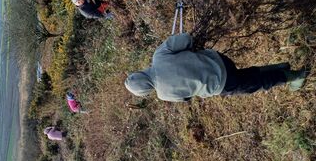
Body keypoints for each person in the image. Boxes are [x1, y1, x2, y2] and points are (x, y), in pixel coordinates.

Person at [124, 33, 308, 102]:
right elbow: (186, 39)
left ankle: (294, 76)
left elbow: (186, 98)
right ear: (140, 73)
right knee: (245, 75)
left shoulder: (163, 95)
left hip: (221, 84)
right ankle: (281, 67)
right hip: (220, 60)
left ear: (145, 91)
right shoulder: (159, 56)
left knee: (255, 84)